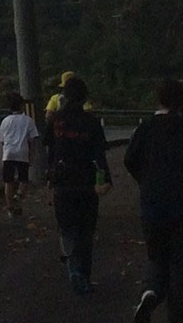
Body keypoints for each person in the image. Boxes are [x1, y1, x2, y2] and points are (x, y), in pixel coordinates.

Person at [123, 78, 183, 323]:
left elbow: (129, 159)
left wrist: (146, 179)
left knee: (157, 256)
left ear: (159, 100)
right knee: (181, 265)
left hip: (152, 205)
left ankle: (150, 292)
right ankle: (176, 317)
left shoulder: (146, 127)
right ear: (181, 101)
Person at [45, 75, 112, 294]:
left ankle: (72, 267)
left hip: (62, 183)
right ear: (84, 98)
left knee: (66, 228)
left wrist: (49, 177)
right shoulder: (91, 122)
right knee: (85, 230)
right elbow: (99, 155)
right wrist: (104, 180)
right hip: (86, 182)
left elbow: (50, 151)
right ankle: (84, 274)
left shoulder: (56, 121)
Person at [0, 92, 39, 218]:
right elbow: (32, 139)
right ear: (22, 106)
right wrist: (32, 154)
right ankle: (18, 195)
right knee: (24, 179)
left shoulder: (6, 121)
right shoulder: (28, 121)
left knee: (8, 181)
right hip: (22, 152)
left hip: (8, 153)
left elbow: (1, 139)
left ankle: (10, 207)